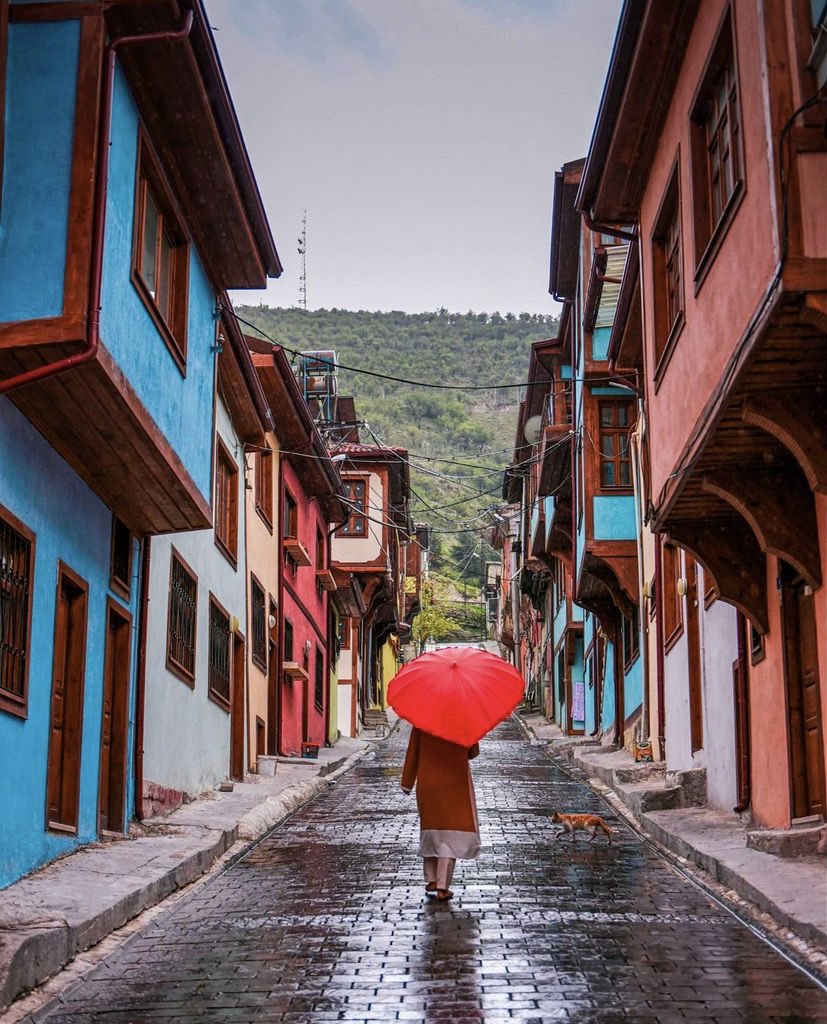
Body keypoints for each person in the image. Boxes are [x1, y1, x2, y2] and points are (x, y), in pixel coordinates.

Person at [400, 725, 480, 901]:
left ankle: (431, 879)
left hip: (428, 783)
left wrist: (407, 782)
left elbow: (413, 752)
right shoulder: (464, 720)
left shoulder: (421, 722)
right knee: (450, 836)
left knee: (431, 831)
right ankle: (442, 885)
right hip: (455, 782)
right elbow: (473, 752)